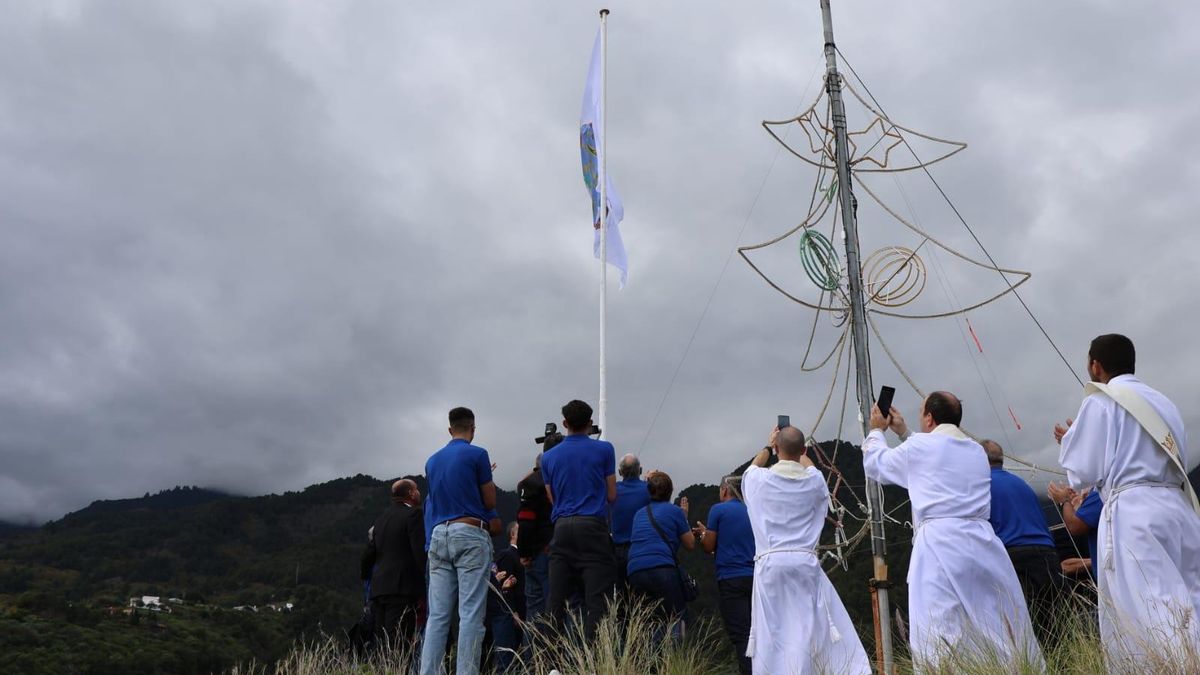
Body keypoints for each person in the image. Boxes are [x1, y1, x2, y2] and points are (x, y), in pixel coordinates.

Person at [864, 393, 1042, 670]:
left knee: (940, 628)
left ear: (929, 418)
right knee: (995, 623)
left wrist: (876, 430)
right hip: (983, 543)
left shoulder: (921, 447)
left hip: (940, 544)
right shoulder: (976, 452)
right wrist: (905, 432)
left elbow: (878, 465)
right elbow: (935, 458)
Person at [1056, 334, 1200, 666]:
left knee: (1150, 609)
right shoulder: (1163, 402)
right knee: (1188, 598)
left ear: (1095, 364)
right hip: (1176, 506)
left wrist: (1072, 440)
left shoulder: (1100, 400)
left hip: (1134, 512)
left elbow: (1082, 472)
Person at [742, 425, 870, 675]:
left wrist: (769, 446)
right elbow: (810, 467)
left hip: (771, 566)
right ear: (803, 450)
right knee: (807, 628)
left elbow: (752, 468)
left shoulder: (759, 481)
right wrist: (799, 450)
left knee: (775, 633)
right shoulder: (814, 482)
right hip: (804, 563)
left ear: (777, 448)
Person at [420, 407, 497, 675]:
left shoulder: (432, 461)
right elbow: (489, 501)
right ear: (473, 429)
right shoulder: (478, 455)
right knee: (471, 614)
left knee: (438, 616)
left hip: (439, 535)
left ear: (450, 429)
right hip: (469, 533)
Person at [539, 399, 618, 638]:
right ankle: (593, 660)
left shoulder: (548, 458)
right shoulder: (604, 449)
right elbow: (612, 495)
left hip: (562, 528)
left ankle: (551, 663)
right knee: (597, 601)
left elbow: (551, 497)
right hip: (593, 527)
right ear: (590, 423)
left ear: (564, 423)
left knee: (556, 601)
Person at [983, 439, 1063, 644]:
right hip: (1047, 555)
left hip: (1015, 557)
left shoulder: (983, 487)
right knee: (1052, 627)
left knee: (1022, 630)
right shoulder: (1023, 485)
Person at [693, 475, 755, 675]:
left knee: (741, 634)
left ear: (725, 490)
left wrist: (704, 535)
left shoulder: (718, 510)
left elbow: (709, 546)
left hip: (730, 577)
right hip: (756, 576)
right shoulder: (753, 509)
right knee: (758, 630)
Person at [625, 470, 693, 640]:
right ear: (670, 491)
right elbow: (690, 544)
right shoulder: (674, 512)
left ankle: (652, 662)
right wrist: (684, 518)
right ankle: (674, 660)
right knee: (676, 618)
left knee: (650, 621)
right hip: (662, 569)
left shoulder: (638, 514)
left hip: (634, 571)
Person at [361, 478, 427, 647]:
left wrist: (367, 577)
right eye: (417, 489)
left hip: (379, 587)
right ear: (411, 493)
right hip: (403, 587)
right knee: (399, 640)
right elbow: (419, 552)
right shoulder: (414, 514)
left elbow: (368, 554)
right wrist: (426, 579)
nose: (419, 492)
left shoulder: (381, 518)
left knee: (381, 641)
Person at [516, 443, 557, 621]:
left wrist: (524, 552)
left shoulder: (527, 484)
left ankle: (532, 649)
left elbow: (525, 522)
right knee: (554, 607)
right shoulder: (558, 480)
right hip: (548, 550)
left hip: (532, 554)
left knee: (533, 610)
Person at [483, 522, 526, 674]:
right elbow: (503, 590)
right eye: (522, 530)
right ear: (513, 535)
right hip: (511, 614)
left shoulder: (524, 555)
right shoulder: (508, 555)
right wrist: (512, 611)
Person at [1047, 483, 1102, 580]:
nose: (1084, 501)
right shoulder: (1064, 528)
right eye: (1084, 497)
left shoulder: (1097, 524)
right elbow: (1065, 565)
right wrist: (1097, 560)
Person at [611, 453, 650, 587]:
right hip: (643, 549)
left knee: (622, 598)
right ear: (639, 470)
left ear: (620, 472)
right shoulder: (649, 490)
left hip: (618, 551)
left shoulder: (612, 491)